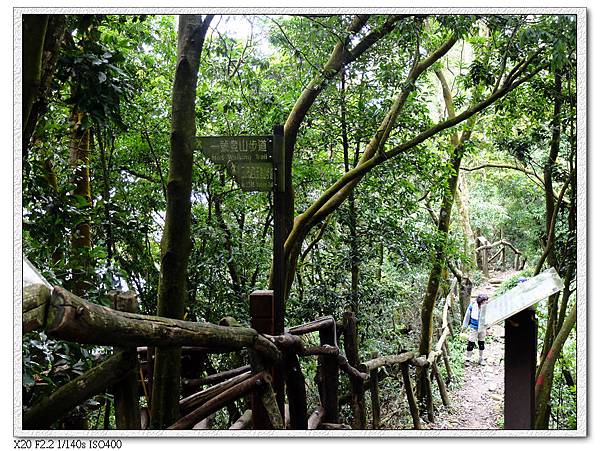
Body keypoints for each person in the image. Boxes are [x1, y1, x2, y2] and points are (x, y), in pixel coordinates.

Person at [462, 293, 489, 365]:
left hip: (483, 327)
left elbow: (489, 316)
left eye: (486, 300)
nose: (485, 302)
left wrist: (488, 326)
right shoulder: (472, 306)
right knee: (471, 342)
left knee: (481, 343)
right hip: (474, 327)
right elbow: (467, 316)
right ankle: (468, 359)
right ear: (480, 301)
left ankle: (481, 358)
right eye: (484, 301)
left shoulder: (487, 307)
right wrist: (464, 326)